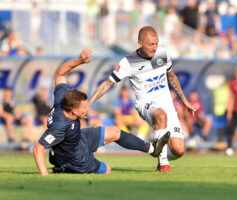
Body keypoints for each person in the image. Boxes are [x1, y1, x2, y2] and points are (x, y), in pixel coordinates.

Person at [33, 49, 170, 176]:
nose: (88, 108)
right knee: (107, 170)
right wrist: (45, 176)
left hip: (77, 138)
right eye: (84, 108)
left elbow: (59, 73)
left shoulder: (61, 100)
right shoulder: (60, 126)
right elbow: (38, 149)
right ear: (74, 111)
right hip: (76, 157)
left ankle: (153, 149)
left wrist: (79, 61)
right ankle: (63, 168)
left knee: (115, 132)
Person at [89, 26, 196, 173]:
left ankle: (159, 153)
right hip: (146, 104)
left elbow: (172, 77)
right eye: (151, 44)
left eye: (156, 43)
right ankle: (163, 165)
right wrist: (89, 103)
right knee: (160, 115)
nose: (154, 48)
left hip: (167, 104)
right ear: (140, 43)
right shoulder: (128, 62)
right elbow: (108, 83)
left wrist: (184, 100)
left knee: (178, 150)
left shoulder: (162, 53)